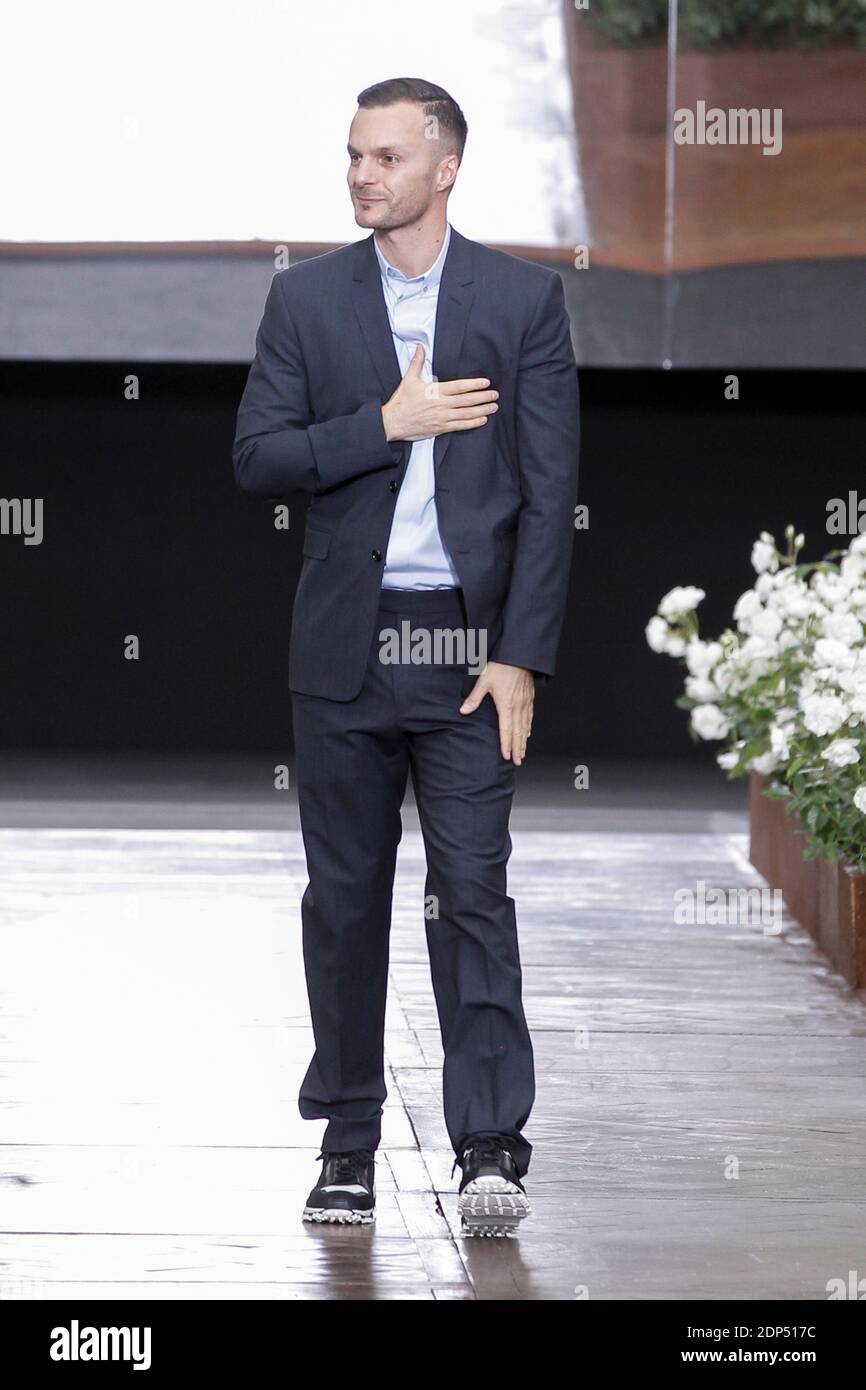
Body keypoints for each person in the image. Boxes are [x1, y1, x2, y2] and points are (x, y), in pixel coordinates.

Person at [233, 77, 579, 1236]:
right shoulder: (307, 301)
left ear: (443, 167)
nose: (360, 176)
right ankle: (345, 1142)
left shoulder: (523, 301)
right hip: (344, 648)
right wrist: (382, 425)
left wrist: (521, 653)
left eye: (383, 157)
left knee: (471, 892)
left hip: (471, 654)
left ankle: (489, 1143)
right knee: (343, 901)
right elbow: (259, 457)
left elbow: (547, 491)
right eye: (351, 156)